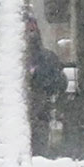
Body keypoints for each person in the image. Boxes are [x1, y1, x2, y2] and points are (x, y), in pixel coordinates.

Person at [27, 16, 67, 155]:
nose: (30, 34)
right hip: (35, 114)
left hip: (40, 114)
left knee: (39, 145)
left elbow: (60, 83)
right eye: (28, 30)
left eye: (32, 30)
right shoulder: (47, 58)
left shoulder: (48, 58)